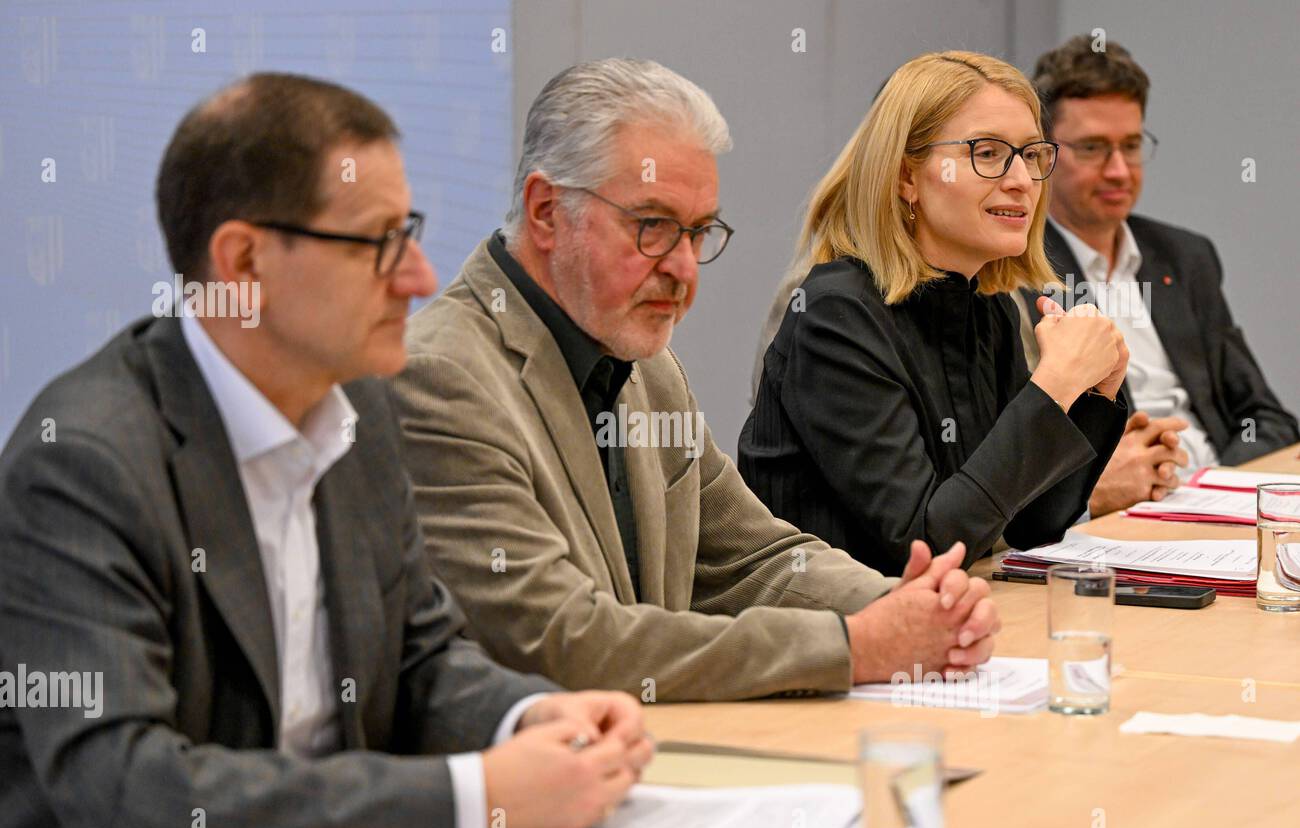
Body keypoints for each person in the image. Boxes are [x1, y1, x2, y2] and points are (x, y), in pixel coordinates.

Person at [0, 73, 652, 828]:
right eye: (378, 242)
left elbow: (420, 659)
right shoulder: (84, 463)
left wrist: (532, 721)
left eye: (408, 233)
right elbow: (131, 796)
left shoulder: (361, 413)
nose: (418, 277)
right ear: (242, 261)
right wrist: (477, 797)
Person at [392, 58, 999, 703]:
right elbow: (562, 641)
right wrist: (855, 647)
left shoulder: (647, 364)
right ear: (547, 212)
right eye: (652, 227)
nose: (684, 269)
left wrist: (908, 605)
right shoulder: (440, 377)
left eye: (699, 232)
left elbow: (752, 560)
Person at [739, 51, 1130, 577]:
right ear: (906, 176)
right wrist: (1053, 386)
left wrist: (1093, 395)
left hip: (946, 628)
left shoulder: (987, 306)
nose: (1022, 181)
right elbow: (925, 546)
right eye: (989, 153)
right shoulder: (836, 316)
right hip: (837, 642)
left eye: (1032, 155)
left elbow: (1031, 524)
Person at [1015, 35, 1298, 516]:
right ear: (1045, 156)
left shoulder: (1185, 257)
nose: (1119, 170)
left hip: (1217, 497)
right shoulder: (1019, 268)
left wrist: (1217, 490)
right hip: (1112, 511)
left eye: (1130, 145)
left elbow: (1266, 416)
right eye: (1093, 149)